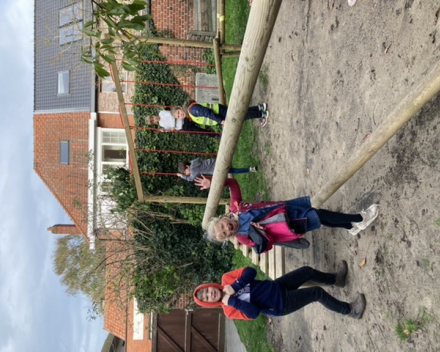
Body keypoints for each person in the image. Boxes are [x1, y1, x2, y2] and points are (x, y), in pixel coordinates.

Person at [195, 176, 379, 253]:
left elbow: (233, 184)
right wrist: (260, 233)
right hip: (287, 224)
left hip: (285, 209)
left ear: (222, 218)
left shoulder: (237, 207)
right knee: (319, 214)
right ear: (228, 238)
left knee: (320, 217)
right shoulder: (243, 237)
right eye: (225, 234)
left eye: (222, 226)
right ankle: (360, 219)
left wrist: (216, 183)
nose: (227, 229)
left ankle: (349, 226)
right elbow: (265, 245)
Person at [193, 263, 366, 320]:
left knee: (306, 271)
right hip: (280, 304)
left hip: (276, 287)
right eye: (208, 297)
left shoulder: (226, 280)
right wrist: (233, 301)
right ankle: (351, 310)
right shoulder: (229, 310)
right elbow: (253, 313)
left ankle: (336, 280)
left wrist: (236, 286)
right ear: (210, 303)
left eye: (208, 290)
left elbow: (251, 272)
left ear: (210, 286)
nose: (211, 294)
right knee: (316, 293)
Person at [171, 102, 270, 128]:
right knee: (239, 113)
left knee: (239, 116)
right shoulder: (190, 113)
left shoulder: (192, 110)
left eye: (179, 112)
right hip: (218, 113)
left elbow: (207, 113)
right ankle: (259, 108)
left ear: (180, 108)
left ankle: (261, 114)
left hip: (218, 113)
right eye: (178, 116)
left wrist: (220, 120)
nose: (180, 115)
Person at [145, 109, 220, 137]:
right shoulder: (161, 124)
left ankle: (217, 120)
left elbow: (172, 115)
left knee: (201, 119)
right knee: (200, 131)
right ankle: (215, 135)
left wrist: (173, 126)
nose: (155, 119)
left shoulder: (161, 113)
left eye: (153, 118)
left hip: (184, 119)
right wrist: (165, 131)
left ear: (153, 115)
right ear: (154, 123)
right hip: (183, 127)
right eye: (153, 121)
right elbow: (172, 129)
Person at [177, 158, 257, 182]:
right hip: (215, 161)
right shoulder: (193, 162)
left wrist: (182, 176)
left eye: (185, 171)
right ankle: (250, 169)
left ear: (187, 167)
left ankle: (250, 169)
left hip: (217, 169)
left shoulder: (194, 170)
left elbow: (191, 179)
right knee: (232, 169)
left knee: (233, 171)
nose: (187, 173)